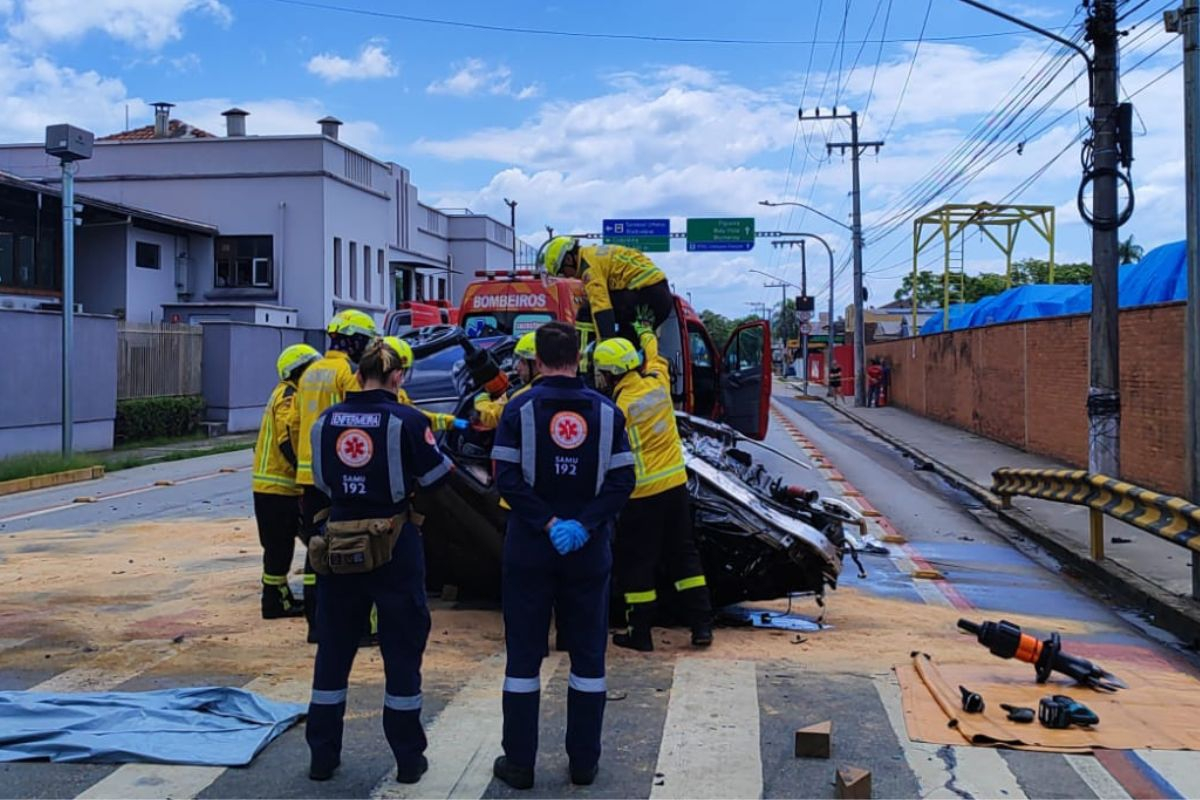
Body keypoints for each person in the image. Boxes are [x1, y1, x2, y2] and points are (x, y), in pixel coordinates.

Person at [489, 321, 635, 790]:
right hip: (588, 551)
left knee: (524, 658)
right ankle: (583, 765)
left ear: (539, 359)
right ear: (578, 356)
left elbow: (505, 479)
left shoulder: (518, 408)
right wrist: (583, 524)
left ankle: (520, 764)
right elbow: (622, 481)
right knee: (589, 657)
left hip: (530, 548)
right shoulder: (609, 413)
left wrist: (547, 524)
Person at [305, 339, 453, 783]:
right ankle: (408, 759)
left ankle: (322, 758)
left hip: (338, 545)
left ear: (357, 374)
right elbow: (438, 478)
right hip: (394, 545)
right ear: (397, 377)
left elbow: (318, 486)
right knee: (402, 652)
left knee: (333, 652)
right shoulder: (407, 420)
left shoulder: (325, 422)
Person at [592, 325, 712, 652]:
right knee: (684, 555)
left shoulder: (619, 409)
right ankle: (702, 625)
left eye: (601, 372)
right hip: (675, 486)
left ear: (611, 373)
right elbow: (655, 354)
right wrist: (646, 329)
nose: (599, 378)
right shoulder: (658, 382)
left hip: (641, 494)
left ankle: (640, 633)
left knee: (638, 563)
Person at [291, 309, 377, 640]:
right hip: (336, 476)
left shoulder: (310, 373)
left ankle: (316, 624)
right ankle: (356, 625)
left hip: (307, 476)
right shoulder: (346, 375)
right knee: (349, 547)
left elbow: (297, 423)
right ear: (354, 341)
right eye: (366, 342)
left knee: (316, 549)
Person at [253, 343, 321, 619]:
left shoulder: (282, 392)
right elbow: (287, 437)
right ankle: (274, 602)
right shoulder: (289, 396)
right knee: (279, 547)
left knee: (277, 546)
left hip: (272, 487)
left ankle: (277, 597)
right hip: (278, 487)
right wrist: (304, 470)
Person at [540, 237, 672, 351]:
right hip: (659, 297)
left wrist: (605, 349)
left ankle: (585, 365)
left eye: (562, 272)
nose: (566, 277)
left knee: (587, 311)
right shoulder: (594, 254)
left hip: (647, 293)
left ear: (569, 259)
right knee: (627, 343)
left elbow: (602, 309)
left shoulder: (589, 268)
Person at [383, 336, 469, 434]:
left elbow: (419, 417)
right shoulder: (366, 397)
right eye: (401, 372)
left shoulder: (399, 395)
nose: (401, 378)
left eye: (404, 372)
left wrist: (451, 422)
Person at [473, 331, 540, 430]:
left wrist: (481, 400)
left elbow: (492, 416)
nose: (517, 367)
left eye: (522, 361)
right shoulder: (563, 385)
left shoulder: (522, 395)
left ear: (537, 364)